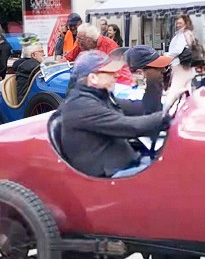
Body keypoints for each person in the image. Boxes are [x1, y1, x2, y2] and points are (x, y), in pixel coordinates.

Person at [55, 50, 170, 178]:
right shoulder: (81, 105)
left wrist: (154, 81)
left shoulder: (100, 96)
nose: (116, 75)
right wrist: (167, 117)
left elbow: (142, 108)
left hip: (126, 163)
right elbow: (131, 127)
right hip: (111, 173)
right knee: (170, 176)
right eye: (109, 72)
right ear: (93, 78)